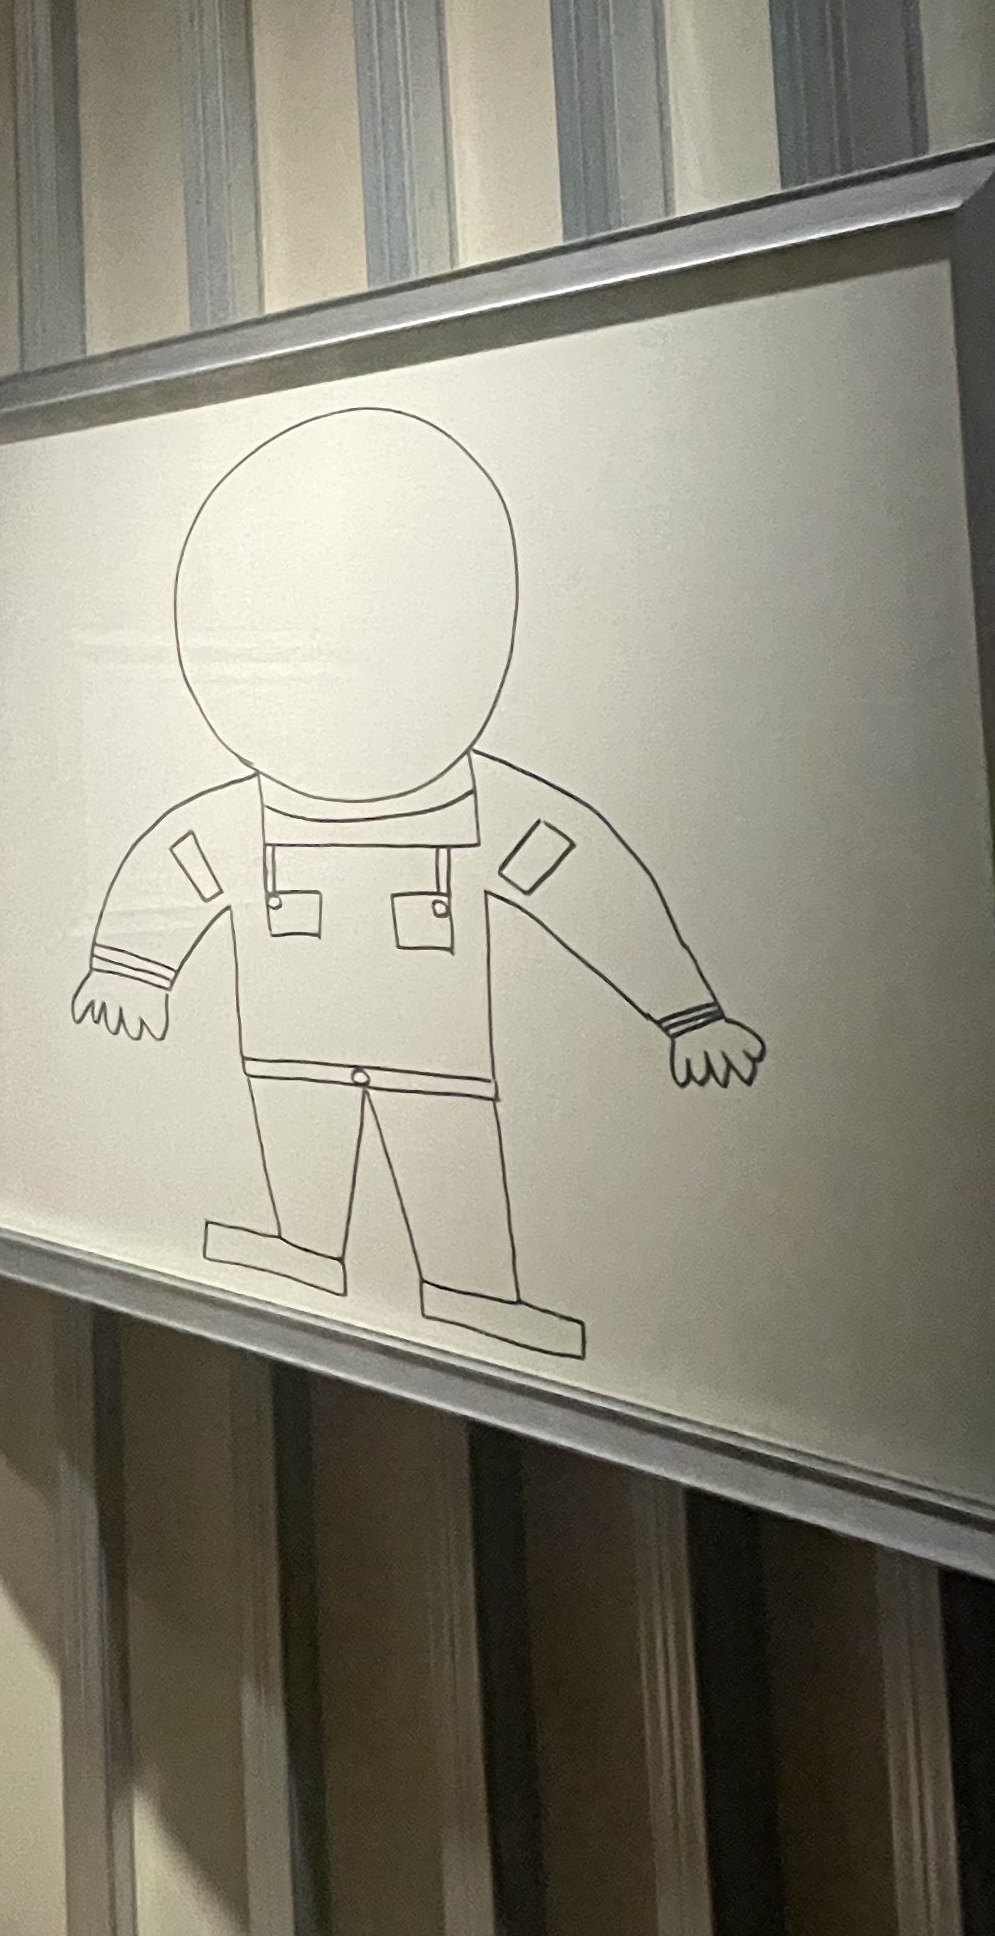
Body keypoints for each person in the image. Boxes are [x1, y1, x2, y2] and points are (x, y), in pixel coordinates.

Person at [72, 408, 761, 1360]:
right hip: (290, 1047)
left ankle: (473, 1290)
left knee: (453, 1174)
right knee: (301, 1155)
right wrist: (131, 970)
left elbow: (589, 888)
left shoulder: (489, 808)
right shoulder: (243, 816)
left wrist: (686, 1011)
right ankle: (302, 1249)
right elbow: (174, 870)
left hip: (435, 1057)